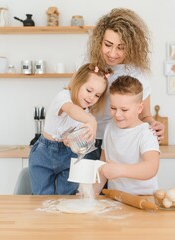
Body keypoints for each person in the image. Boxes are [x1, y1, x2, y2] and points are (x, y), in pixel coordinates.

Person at [83, 8, 165, 160]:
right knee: (88, 184)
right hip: (87, 141)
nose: (113, 54)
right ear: (99, 41)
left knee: (116, 183)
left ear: (132, 47)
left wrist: (154, 125)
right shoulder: (87, 68)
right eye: (108, 45)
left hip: (122, 143)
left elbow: (145, 115)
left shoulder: (138, 74)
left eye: (121, 48)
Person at [29, 63, 112, 195]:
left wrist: (71, 140)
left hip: (69, 155)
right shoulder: (63, 97)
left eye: (97, 95)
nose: (92, 97)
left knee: (67, 196)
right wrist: (91, 121)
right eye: (89, 90)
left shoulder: (87, 114)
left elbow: (70, 136)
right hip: (44, 153)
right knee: (42, 197)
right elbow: (72, 110)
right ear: (78, 83)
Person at [93, 75, 160, 195]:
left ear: (139, 108)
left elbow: (151, 168)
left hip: (144, 198)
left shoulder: (146, 133)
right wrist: (92, 193)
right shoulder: (109, 128)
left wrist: (120, 170)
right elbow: (103, 166)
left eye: (124, 110)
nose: (117, 114)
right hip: (116, 197)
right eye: (113, 108)